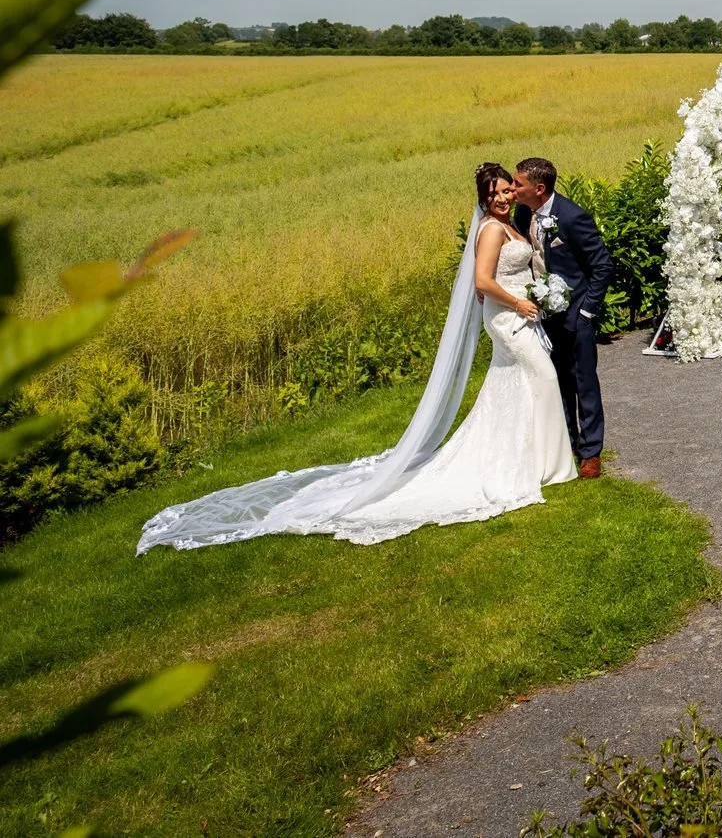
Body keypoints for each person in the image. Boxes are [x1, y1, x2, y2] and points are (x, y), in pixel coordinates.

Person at [137, 164, 580, 551]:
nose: (503, 198)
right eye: (495, 193)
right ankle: (551, 465)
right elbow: (482, 282)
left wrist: (538, 293)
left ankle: (533, 459)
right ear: (483, 198)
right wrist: (519, 303)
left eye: (506, 191)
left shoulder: (511, 223)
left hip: (522, 312)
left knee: (518, 384)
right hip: (508, 316)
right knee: (542, 377)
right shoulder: (490, 229)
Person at [509, 157, 612, 479]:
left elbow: (602, 265)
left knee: (584, 382)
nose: (512, 188)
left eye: (518, 184)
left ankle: (591, 452)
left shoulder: (572, 217)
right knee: (557, 380)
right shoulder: (523, 213)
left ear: (539, 188)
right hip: (543, 314)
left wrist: (586, 310)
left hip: (576, 313)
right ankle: (567, 442)